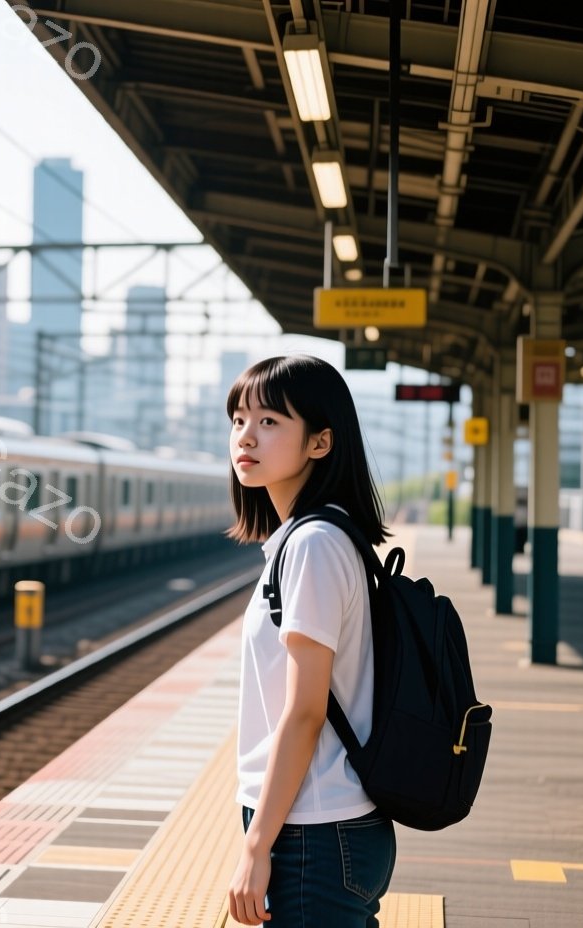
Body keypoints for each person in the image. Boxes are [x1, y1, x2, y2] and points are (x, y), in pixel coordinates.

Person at [223, 355, 396, 927]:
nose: (246, 436)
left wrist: (256, 846)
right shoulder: (314, 537)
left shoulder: (313, 545)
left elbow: (304, 711)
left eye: (270, 422)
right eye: (239, 420)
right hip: (324, 825)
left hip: (314, 832)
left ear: (320, 442)